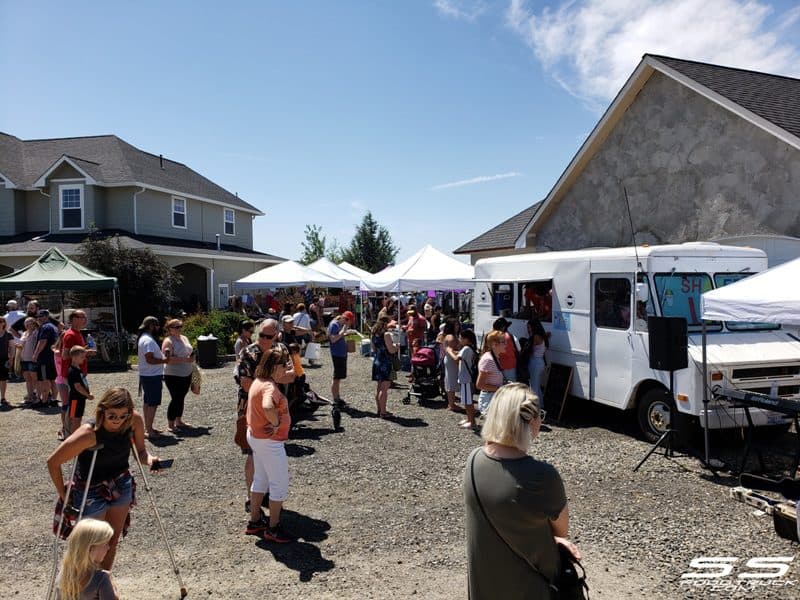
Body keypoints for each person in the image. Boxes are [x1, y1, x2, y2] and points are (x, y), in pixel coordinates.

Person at [464, 383, 579, 600]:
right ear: (530, 421)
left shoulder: (474, 460)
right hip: (529, 588)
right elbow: (561, 531)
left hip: (485, 585)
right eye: (539, 415)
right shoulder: (543, 475)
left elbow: (505, 514)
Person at [47, 387, 158, 570]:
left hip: (121, 484)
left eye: (124, 415)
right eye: (112, 415)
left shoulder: (134, 421)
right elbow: (53, 462)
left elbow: (141, 452)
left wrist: (151, 460)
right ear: (102, 410)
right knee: (92, 544)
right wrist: (64, 494)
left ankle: (103, 584)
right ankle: (82, 587)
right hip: (91, 489)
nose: (118, 420)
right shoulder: (89, 433)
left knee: (111, 542)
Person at [237, 318, 294, 513]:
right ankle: (250, 496)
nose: (263, 339)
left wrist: (263, 380)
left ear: (276, 335)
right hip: (251, 407)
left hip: (275, 406)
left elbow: (292, 374)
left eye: (268, 336)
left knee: (270, 450)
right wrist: (269, 382)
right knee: (252, 452)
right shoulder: (248, 352)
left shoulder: (282, 350)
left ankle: (264, 494)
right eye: (260, 334)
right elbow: (245, 383)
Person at [245, 346, 294, 543]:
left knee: (261, 479)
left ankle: (255, 520)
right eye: (285, 365)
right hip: (270, 442)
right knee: (279, 484)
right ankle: (273, 527)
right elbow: (267, 405)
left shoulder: (259, 381)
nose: (287, 369)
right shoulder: (269, 387)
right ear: (275, 367)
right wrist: (275, 424)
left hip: (256, 437)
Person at [55, 518, 119, 600]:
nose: (108, 547)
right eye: (105, 543)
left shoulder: (64, 574)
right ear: (91, 548)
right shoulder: (101, 578)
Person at [136, 316, 173, 438]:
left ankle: (148, 427)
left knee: (148, 402)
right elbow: (150, 359)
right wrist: (164, 360)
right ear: (151, 326)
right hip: (152, 375)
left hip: (147, 375)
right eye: (156, 325)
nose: (158, 328)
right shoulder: (148, 340)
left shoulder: (144, 338)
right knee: (152, 403)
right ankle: (149, 431)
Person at [161, 318, 195, 433]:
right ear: (170, 329)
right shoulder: (168, 341)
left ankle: (179, 421)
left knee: (181, 397)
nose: (179, 328)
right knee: (176, 398)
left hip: (186, 372)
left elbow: (189, 351)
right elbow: (168, 359)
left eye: (180, 326)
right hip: (173, 374)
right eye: (176, 327)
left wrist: (192, 356)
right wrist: (186, 360)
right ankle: (170, 424)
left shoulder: (184, 338)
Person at [370, 315, 398, 418]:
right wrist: (396, 347)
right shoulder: (386, 334)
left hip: (377, 361)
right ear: (386, 323)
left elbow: (373, 349)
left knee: (379, 388)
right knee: (384, 389)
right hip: (386, 362)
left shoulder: (373, 333)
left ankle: (379, 409)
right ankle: (383, 412)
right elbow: (391, 350)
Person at [476, 330, 507, 416]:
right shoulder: (488, 360)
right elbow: (480, 385)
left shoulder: (494, 358)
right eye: (503, 342)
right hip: (490, 400)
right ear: (494, 344)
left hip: (493, 398)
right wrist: (501, 389)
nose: (506, 344)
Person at [32, 309, 59, 406]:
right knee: (53, 379)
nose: (39, 318)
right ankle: (54, 400)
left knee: (45, 379)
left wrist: (35, 354)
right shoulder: (53, 327)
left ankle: (44, 401)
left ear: (47, 317)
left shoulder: (45, 327)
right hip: (52, 358)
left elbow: (42, 342)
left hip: (44, 358)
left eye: (41, 316)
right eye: (38, 316)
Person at [328, 310, 355, 406]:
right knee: (336, 377)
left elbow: (338, 336)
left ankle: (337, 397)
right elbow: (333, 339)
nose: (350, 324)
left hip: (341, 353)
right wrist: (343, 331)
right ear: (346, 319)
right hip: (337, 353)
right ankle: (336, 398)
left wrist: (345, 332)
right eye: (350, 322)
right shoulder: (334, 325)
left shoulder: (339, 324)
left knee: (338, 377)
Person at [66, 345, 93, 435]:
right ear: (74, 357)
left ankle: (72, 436)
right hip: (75, 400)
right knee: (75, 420)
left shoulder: (77, 369)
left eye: (84, 357)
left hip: (78, 399)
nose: (84, 359)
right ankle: (73, 438)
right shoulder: (73, 371)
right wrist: (87, 395)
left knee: (77, 418)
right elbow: (78, 387)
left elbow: (82, 383)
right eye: (81, 357)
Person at [456, 329, 478, 429]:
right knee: (466, 400)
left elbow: (457, 358)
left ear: (466, 339)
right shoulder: (469, 348)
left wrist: (448, 351)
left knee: (468, 401)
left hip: (466, 378)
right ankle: (469, 419)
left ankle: (472, 422)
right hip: (466, 378)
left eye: (461, 338)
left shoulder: (466, 349)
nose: (459, 340)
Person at [524, 318, 549, 398]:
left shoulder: (535, 337)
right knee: (537, 385)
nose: (528, 329)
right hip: (540, 361)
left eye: (529, 327)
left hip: (535, 362)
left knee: (533, 387)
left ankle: (535, 407)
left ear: (533, 327)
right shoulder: (543, 335)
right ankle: (541, 405)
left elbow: (528, 350)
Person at [441, 318, 460, 412]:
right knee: (451, 381)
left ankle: (451, 403)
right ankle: (451, 404)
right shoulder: (451, 337)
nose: (457, 326)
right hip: (451, 360)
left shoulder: (449, 335)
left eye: (457, 325)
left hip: (450, 360)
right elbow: (451, 351)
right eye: (455, 325)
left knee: (450, 380)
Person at [19, 317, 40, 404]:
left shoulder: (37, 333)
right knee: (27, 379)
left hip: (32, 359)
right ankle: (30, 396)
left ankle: (37, 396)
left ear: (34, 323)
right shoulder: (24, 333)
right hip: (23, 359)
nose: (27, 325)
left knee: (35, 379)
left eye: (29, 323)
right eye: (26, 323)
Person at [493, 317, 520, 383]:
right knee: (511, 389)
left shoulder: (493, 337)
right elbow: (519, 349)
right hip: (510, 368)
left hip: (497, 367)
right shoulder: (512, 337)